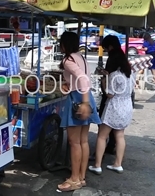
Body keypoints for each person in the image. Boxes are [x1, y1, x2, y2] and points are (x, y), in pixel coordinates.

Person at [57, 32, 101, 192]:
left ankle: (74, 179)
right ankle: (81, 177)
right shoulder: (80, 57)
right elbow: (80, 79)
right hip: (84, 96)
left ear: (65, 44)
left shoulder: (68, 59)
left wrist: (84, 103)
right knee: (83, 141)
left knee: (74, 142)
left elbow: (82, 78)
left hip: (79, 99)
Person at [88, 47, 134, 175]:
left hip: (114, 107)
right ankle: (117, 164)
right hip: (126, 106)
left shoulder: (115, 75)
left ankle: (97, 165)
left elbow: (109, 94)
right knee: (120, 136)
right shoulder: (130, 74)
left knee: (102, 136)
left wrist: (104, 80)